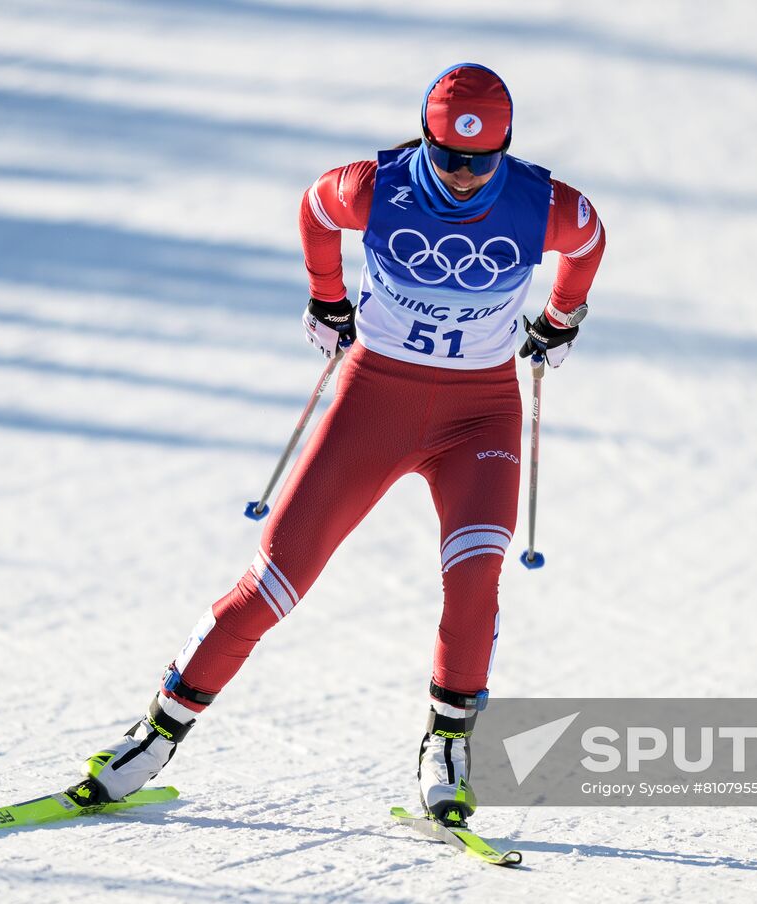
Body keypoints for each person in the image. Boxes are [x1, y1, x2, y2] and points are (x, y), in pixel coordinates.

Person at [69, 63, 606, 827]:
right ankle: (153, 736)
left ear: (504, 151)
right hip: (372, 401)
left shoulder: (545, 204)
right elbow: (315, 210)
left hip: (479, 417)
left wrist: (562, 317)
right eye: (447, 156)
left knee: (476, 578)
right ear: (425, 138)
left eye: (479, 162)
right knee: (273, 583)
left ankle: (445, 748)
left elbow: (589, 242)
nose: (460, 176)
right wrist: (325, 295)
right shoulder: (371, 187)